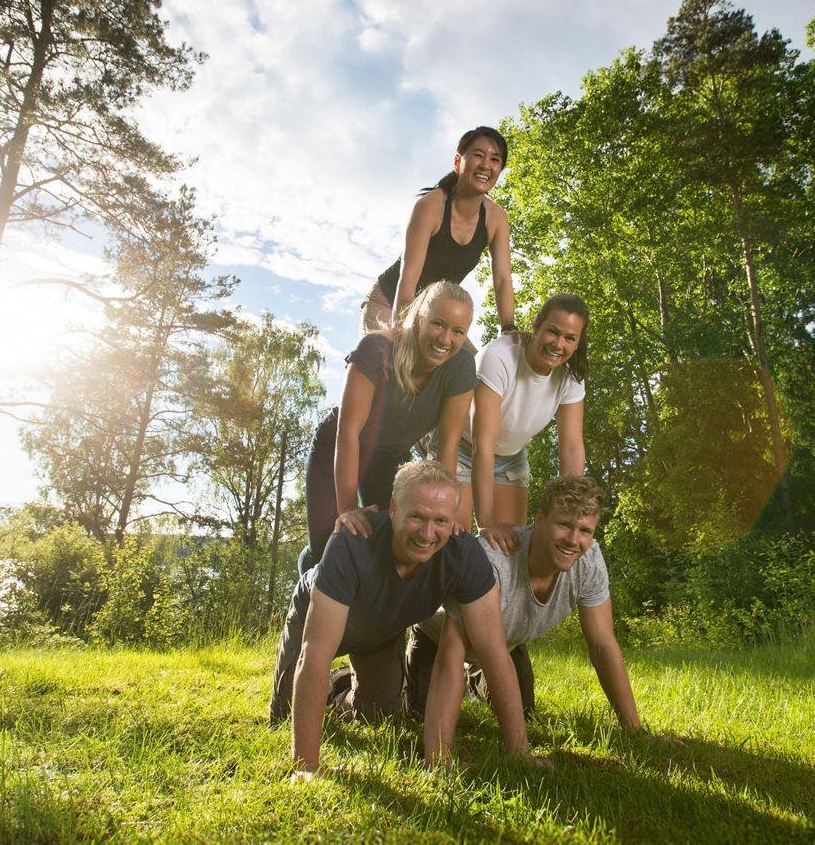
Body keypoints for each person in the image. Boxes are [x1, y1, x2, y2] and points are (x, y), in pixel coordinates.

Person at [270, 460, 531, 779]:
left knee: (377, 716)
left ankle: (339, 687)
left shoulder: (464, 556)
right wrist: (307, 766)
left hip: (378, 635)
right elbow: (315, 654)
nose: (427, 533)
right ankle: (312, 691)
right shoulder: (351, 542)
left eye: (441, 521)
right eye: (417, 516)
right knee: (282, 718)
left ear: (454, 522)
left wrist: (520, 752)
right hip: (316, 620)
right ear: (394, 509)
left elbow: (493, 650)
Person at [407, 475, 679, 766]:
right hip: (438, 639)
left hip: (505, 645)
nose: (574, 540)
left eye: (585, 530)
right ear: (540, 518)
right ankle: (364, 676)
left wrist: (635, 731)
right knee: (406, 715)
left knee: (521, 710)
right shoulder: (494, 560)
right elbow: (451, 654)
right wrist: (440, 758)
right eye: (564, 525)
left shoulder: (589, 564)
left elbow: (602, 645)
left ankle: (475, 679)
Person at [300, 281, 476, 574]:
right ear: (420, 318)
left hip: (389, 458)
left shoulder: (461, 366)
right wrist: (347, 510)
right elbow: (349, 433)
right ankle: (307, 579)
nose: (446, 339)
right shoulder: (377, 349)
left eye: (458, 331)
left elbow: (447, 444)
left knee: (390, 544)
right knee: (330, 544)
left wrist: (449, 509)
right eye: (438, 324)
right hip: (339, 446)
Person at [459, 293, 590, 550]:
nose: (558, 344)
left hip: (510, 457)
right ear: (536, 326)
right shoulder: (499, 356)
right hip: (462, 449)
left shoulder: (572, 377)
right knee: (453, 542)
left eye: (570, 338)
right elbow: (482, 443)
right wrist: (485, 521)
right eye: (553, 331)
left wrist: (569, 513)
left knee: (510, 549)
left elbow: (572, 447)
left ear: (577, 343)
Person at [361, 126, 518, 337]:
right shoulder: (431, 205)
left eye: (495, 160)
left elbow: (502, 279)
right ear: (457, 162)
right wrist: (399, 331)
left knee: (467, 366)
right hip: (390, 302)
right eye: (478, 156)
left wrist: (508, 329)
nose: (486, 165)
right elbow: (409, 274)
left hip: (433, 315)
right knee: (390, 362)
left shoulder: (496, 218)